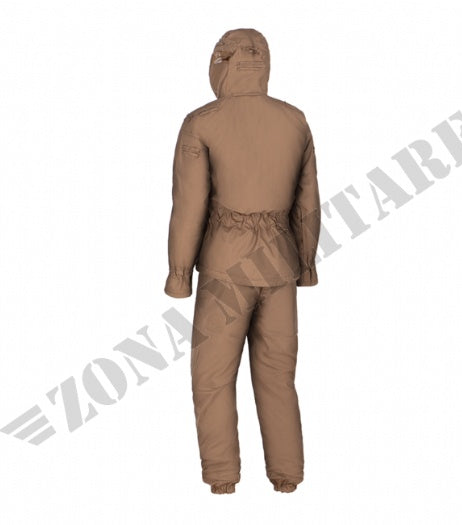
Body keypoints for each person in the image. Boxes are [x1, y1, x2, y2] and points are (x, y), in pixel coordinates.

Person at [164, 28, 321, 494]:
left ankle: (222, 477)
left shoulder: (201, 122)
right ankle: (287, 475)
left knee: (212, 377)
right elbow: (308, 204)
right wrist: (306, 265)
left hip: (225, 272)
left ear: (221, 64)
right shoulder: (294, 120)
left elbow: (188, 206)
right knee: (278, 376)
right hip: (280, 268)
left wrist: (179, 275)